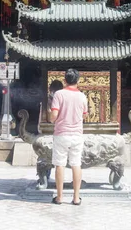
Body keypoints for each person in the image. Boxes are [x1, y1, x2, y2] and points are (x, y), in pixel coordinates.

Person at [48, 68, 88, 206]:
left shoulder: (59, 94)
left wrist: (52, 118)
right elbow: (84, 115)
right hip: (77, 135)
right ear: (78, 80)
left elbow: (53, 116)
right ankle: (76, 198)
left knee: (60, 165)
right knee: (76, 165)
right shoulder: (82, 96)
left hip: (61, 134)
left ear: (65, 80)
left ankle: (59, 197)